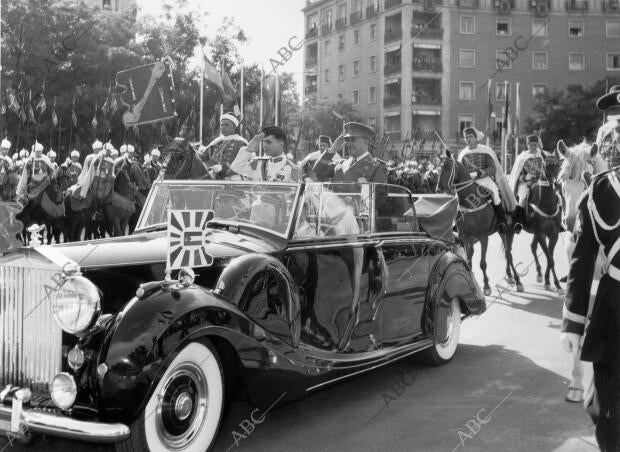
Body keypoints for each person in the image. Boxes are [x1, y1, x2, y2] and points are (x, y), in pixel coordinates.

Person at [561, 164, 620, 452]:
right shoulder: (601, 190)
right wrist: (573, 322)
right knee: (608, 407)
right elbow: (582, 261)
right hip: (614, 311)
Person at [458, 126, 516, 232]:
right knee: (457, 196)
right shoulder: (462, 154)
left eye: (470, 136)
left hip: (483, 179)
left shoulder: (486, 150)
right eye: (466, 137)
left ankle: (501, 220)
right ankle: (457, 221)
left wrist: (482, 173)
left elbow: (493, 169)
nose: (468, 139)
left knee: (494, 190)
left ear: (476, 138)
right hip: (468, 181)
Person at [314, 122, 388, 183]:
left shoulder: (377, 167)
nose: (349, 143)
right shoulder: (340, 163)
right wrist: (332, 150)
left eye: (352, 139)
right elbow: (318, 170)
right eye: (347, 139)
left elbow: (379, 198)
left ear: (366, 142)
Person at [230, 125, 300, 182]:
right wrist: (248, 150)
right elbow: (235, 168)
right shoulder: (258, 163)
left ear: (281, 144)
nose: (264, 145)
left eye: (268, 142)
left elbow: (292, 196)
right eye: (263, 142)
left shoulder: (291, 168)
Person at [510, 135, 548, 232]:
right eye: (531, 145)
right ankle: (518, 222)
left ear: (538, 145)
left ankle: (557, 219)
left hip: (541, 181)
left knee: (553, 194)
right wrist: (526, 177)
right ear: (527, 145)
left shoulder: (543, 155)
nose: (533, 147)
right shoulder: (522, 157)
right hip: (526, 182)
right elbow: (518, 175)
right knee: (523, 195)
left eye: (535, 145)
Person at [198, 113, 248, 180]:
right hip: (214, 178)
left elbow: (242, 164)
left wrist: (223, 168)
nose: (223, 127)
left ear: (234, 127)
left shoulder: (240, 143)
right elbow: (203, 157)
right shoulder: (216, 142)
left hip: (233, 180)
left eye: (226, 125)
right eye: (221, 125)